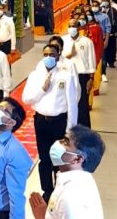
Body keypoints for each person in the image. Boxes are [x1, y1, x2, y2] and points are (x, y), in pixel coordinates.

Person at [22, 44, 78, 202]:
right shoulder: (35, 75)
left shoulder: (66, 76)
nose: (48, 57)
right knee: (45, 158)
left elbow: (72, 105)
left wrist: (70, 130)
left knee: (60, 157)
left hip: (59, 122)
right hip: (41, 122)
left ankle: (61, 189)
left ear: (58, 55)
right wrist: (42, 89)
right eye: (45, 54)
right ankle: (47, 190)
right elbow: (27, 99)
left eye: (52, 54)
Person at [62, 19, 96, 127]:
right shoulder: (62, 40)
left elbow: (91, 60)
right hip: (67, 76)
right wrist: (70, 55)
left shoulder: (87, 42)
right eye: (69, 26)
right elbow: (60, 59)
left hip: (81, 76)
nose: (71, 28)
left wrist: (91, 78)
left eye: (74, 26)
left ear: (78, 27)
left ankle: (84, 130)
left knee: (82, 106)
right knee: (67, 103)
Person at [90, 0, 111, 82]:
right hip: (91, 39)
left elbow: (108, 28)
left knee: (103, 57)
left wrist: (106, 40)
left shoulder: (105, 16)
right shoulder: (89, 16)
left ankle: (103, 74)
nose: (94, 7)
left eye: (96, 6)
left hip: (101, 39)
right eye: (93, 6)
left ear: (99, 7)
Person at [101, 0, 117, 70]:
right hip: (102, 34)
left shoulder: (113, 11)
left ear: (109, 2)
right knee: (104, 49)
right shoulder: (100, 10)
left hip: (112, 33)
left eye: (106, 0)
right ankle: (104, 62)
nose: (105, 2)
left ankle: (111, 62)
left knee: (112, 48)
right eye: (103, 0)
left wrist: (116, 32)